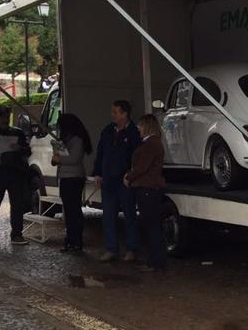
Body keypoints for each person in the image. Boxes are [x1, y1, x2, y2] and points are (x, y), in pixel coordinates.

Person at [93, 100, 141, 261]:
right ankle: (111, 248)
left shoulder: (134, 132)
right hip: (108, 179)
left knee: (129, 214)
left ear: (124, 114)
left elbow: (137, 156)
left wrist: (131, 173)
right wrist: (98, 173)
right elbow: (100, 153)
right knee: (108, 216)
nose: (112, 115)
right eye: (112, 111)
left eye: (115, 112)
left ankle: (132, 249)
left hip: (125, 181)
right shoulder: (107, 131)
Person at [0, 106, 31, 246]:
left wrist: (19, 148)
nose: (5, 120)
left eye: (7, 117)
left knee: (17, 205)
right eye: (2, 117)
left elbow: (27, 150)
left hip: (15, 173)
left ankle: (17, 233)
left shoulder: (17, 133)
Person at [123, 114, 167, 272]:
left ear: (147, 126)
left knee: (151, 226)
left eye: (140, 125)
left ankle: (155, 262)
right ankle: (156, 260)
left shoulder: (150, 145)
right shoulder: (154, 143)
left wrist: (129, 176)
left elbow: (142, 167)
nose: (138, 128)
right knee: (153, 226)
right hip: (151, 188)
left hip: (147, 188)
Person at [52, 113, 92, 253]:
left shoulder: (77, 140)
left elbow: (74, 159)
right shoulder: (68, 140)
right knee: (69, 211)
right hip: (66, 177)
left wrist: (59, 159)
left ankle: (76, 241)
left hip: (73, 178)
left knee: (73, 211)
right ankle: (71, 240)